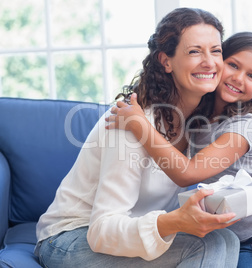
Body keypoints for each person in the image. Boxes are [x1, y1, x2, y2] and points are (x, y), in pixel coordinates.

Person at [35, 8, 241, 268]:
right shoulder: (130, 122)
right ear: (166, 61)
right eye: (194, 51)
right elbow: (101, 231)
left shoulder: (201, 122)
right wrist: (175, 221)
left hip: (126, 236)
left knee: (227, 240)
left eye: (216, 50)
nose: (209, 62)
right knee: (206, 245)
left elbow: (249, 148)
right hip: (69, 239)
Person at [106, 31, 252, 267]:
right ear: (218, 64)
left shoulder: (249, 119)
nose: (239, 78)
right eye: (233, 65)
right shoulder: (195, 111)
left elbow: (187, 173)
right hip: (233, 236)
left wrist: (139, 125)